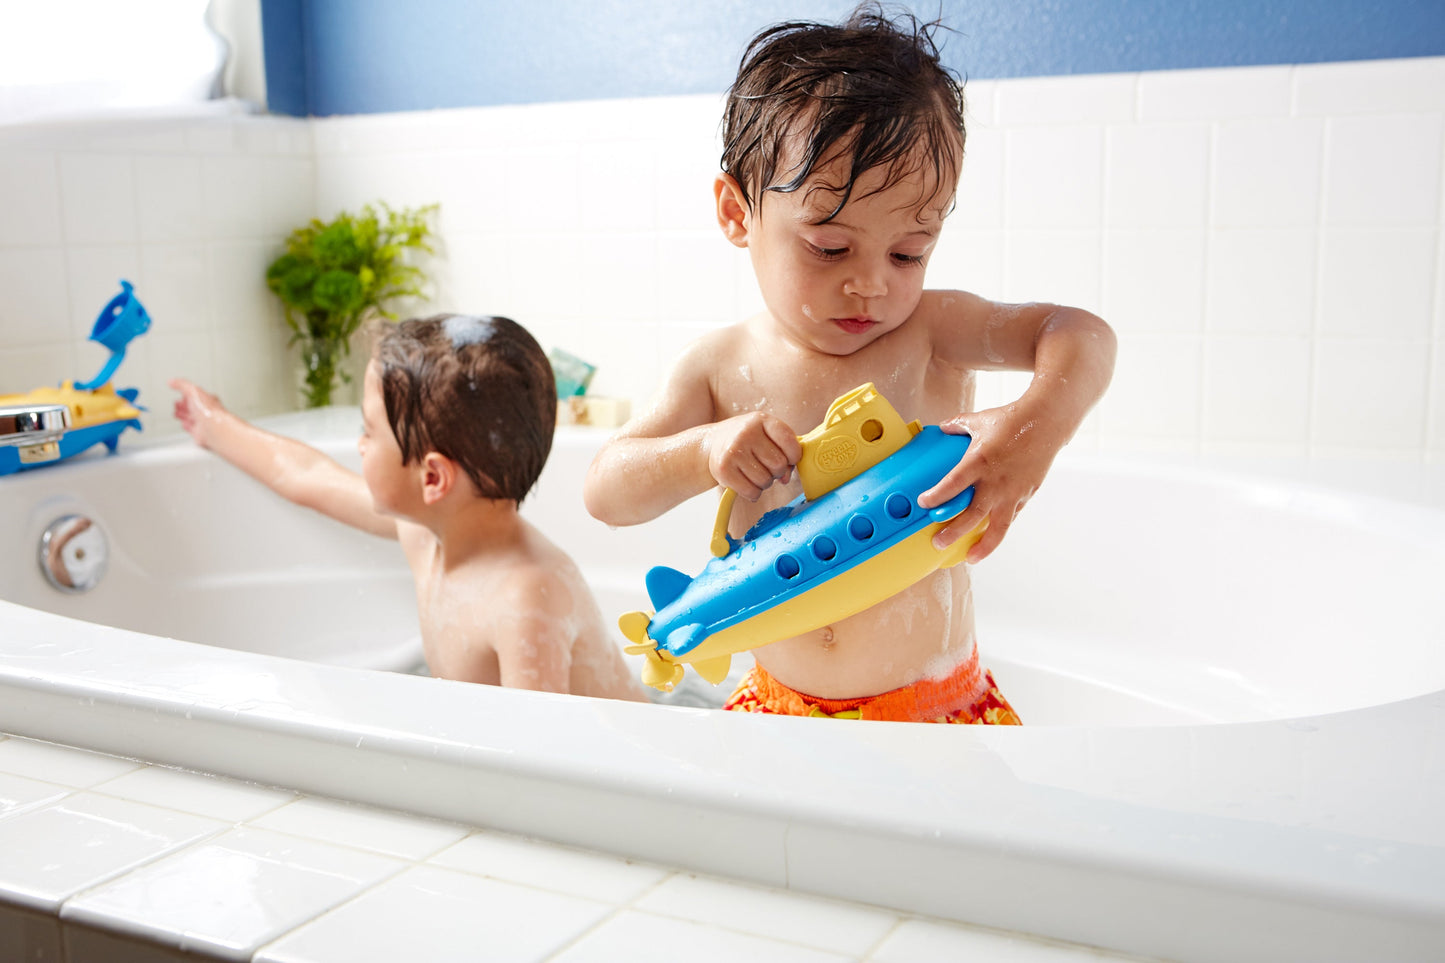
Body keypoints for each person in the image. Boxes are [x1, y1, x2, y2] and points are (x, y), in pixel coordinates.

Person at [583, 7, 1116, 723]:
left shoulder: (932, 329)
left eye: (908, 253)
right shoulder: (719, 365)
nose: (871, 283)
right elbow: (606, 492)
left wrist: (1035, 428)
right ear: (737, 212)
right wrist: (701, 451)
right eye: (829, 249)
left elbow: (1078, 333)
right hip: (776, 707)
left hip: (931, 707)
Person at [172, 314, 645, 702]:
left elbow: (548, 763)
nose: (357, 445)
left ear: (433, 478)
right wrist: (215, 424)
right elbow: (307, 477)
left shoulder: (525, 598)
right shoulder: (427, 532)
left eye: (368, 431)